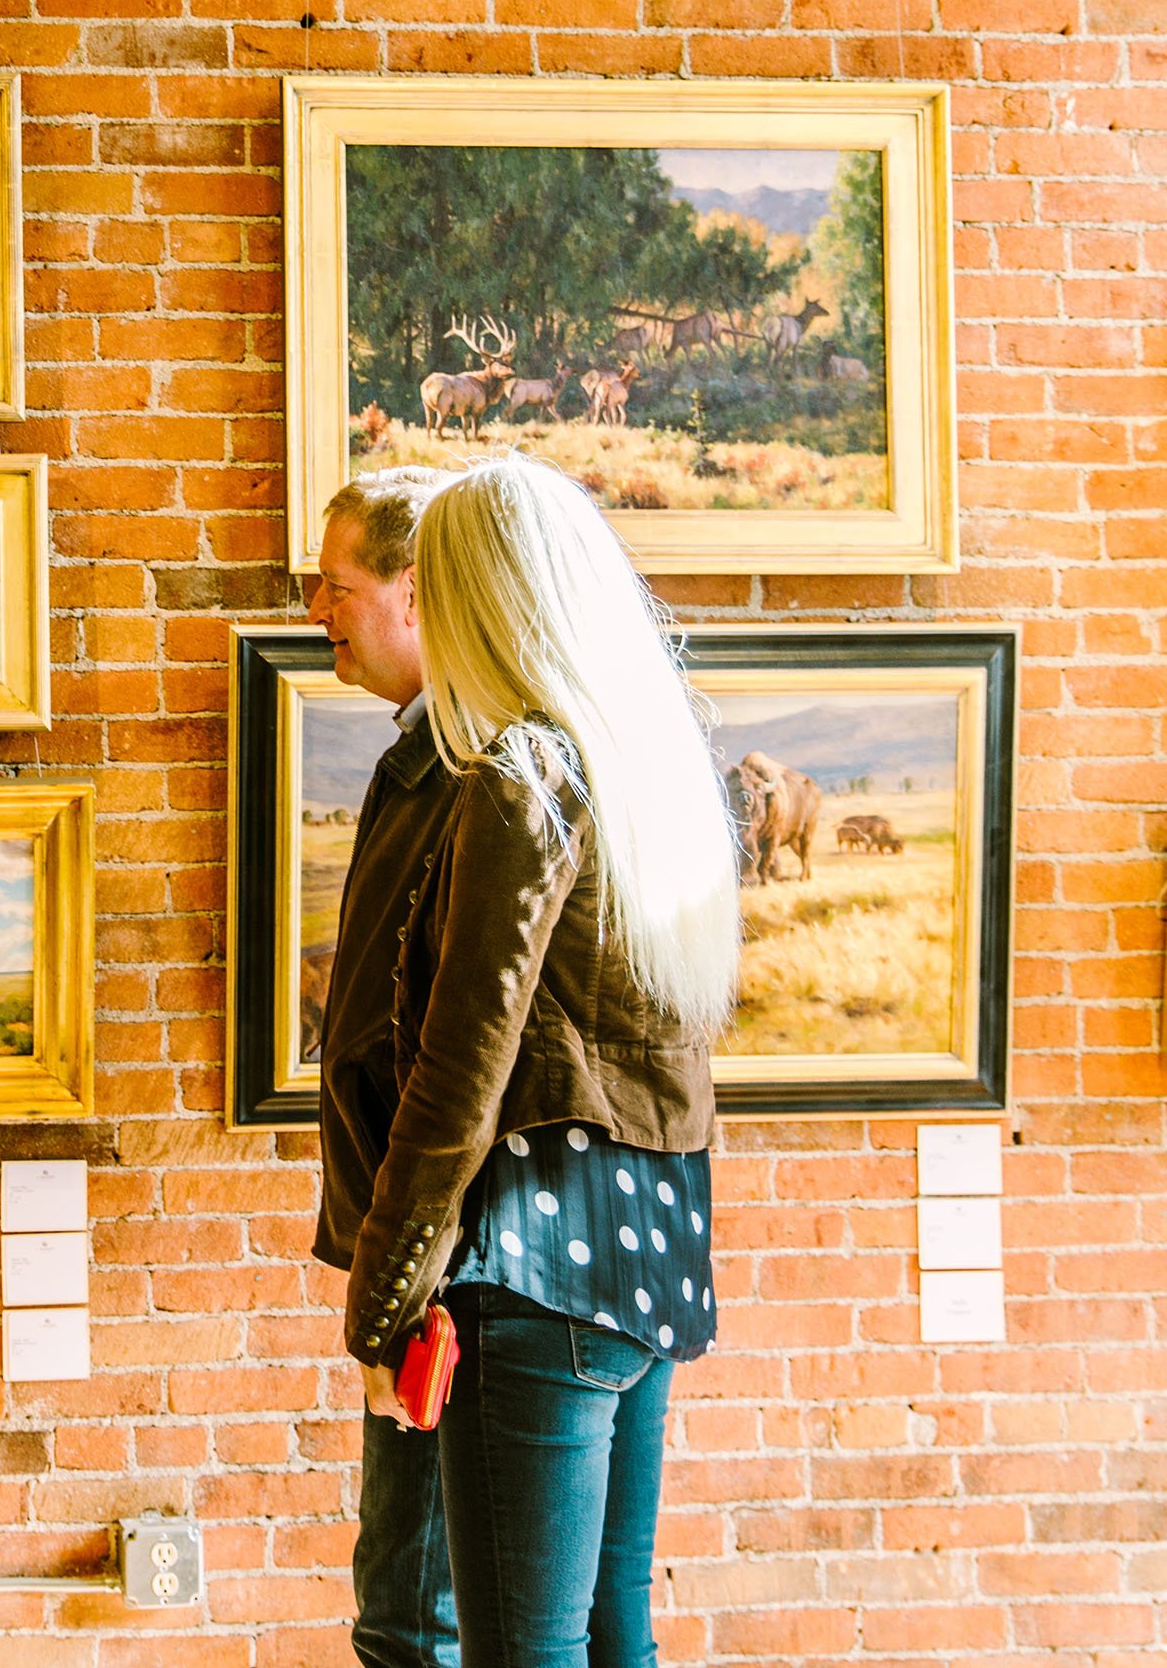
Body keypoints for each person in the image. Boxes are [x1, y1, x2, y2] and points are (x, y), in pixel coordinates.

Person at [343, 455, 740, 1668]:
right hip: (646, 1258)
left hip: (527, 1271)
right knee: (616, 1636)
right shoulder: (637, 770)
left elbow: (460, 1071)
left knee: (521, 1650)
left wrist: (382, 1294)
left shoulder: (518, 775)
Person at [303, 465, 461, 1668]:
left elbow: (449, 1064)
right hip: (404, 1260)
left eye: (334, 585)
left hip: (436, 1277)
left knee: (409, 1622)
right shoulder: (422, 759)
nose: (316, 611)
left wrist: (394, 1291)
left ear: (409, 591)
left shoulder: (470, 775)